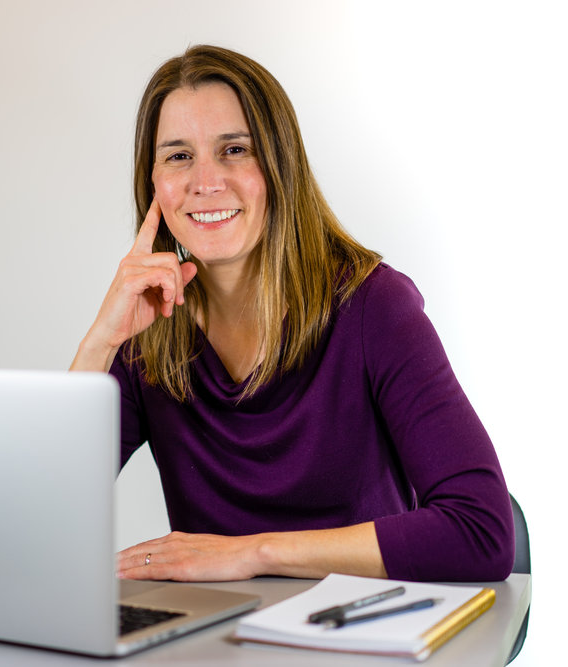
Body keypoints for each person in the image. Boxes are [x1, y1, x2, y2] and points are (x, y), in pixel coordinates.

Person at [71, 45, 514, 584]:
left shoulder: (374, 307)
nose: (205, 181)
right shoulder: (149, 329)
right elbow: (37, 521)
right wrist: (102, 340)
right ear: (153, 184)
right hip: (215, 645)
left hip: (357, 635)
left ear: (280, 166)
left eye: (234, 149)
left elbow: (481, 530)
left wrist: (254, 553)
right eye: (179, 156)